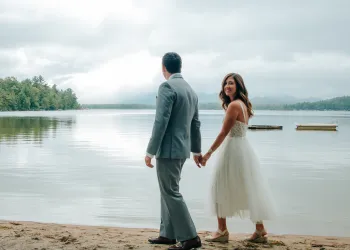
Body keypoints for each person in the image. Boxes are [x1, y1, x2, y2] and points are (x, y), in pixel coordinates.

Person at [201, 73, 277, 244]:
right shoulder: (243, 105)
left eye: (231, 83)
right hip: (243, 149)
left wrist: (208, 154)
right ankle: (259, 229)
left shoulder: (234, 105)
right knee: (248, 187)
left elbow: (223, 133)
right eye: (225, 84)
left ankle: (222, 230)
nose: (227, 86)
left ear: (238, 86)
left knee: (220, 185)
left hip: (233, 149)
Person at [144, 52, 202, 250]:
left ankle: (190, 237)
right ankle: (168, 234)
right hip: (182, 150)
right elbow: (195, 124)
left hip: (168, 149)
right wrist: (196, 150)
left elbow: (161, 122)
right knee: (167, 190)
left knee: (170, 192)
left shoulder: (167, 86)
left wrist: (150, 151)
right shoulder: (191, 90)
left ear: (164, 68)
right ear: (180, 66)